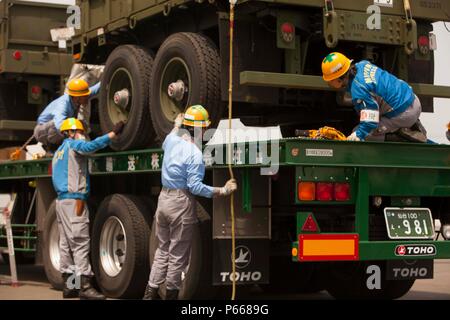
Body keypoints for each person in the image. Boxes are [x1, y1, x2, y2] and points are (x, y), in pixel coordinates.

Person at [143, 105, 237, 300]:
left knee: (162, 250)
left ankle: (150, 293)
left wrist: (177, 125)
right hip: (180, 202)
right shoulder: (194, 154)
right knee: (178, 254)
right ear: (200, 129)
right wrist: (222, 190)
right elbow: (195, 187)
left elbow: (170, 136)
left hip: (164, 200)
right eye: (204, 128)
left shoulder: (171, 141)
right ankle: (171, 296)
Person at [52, 117, 124, 300]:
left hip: (61, 202)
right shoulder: (73, 146)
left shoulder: (58, 152)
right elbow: (89, 147)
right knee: (80, 243)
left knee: (65, 244)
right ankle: (85, 287)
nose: (83, 135)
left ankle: (70, 287)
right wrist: (112, 134)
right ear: (70, 132)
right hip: (74, 201)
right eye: (80, 131)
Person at [321, 52, 427, 142]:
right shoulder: (362, 65)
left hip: (404, 114)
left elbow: (370, 121)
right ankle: (409, 124)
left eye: (330, 81)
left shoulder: (359, 91)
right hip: (413, 100)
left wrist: (357, 135)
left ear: (339, 78)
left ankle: (402, 136)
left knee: (363, 133)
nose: (329, 84)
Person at [34, 78, 100, 148]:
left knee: (82, 124)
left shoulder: (78, 97)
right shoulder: (63, 104)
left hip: (53, 128)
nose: (88, 97)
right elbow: (59, 125)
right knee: (63, 125)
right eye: (85, 96)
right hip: (42, 132)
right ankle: (53, 148)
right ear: (77, 97)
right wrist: (76, 135)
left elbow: (96, 89)